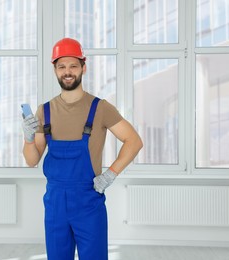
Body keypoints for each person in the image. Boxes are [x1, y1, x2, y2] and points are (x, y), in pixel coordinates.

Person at [22, 38, 143, 260]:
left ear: (83, 67)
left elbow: (134, 140)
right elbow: (32, 160)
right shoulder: (44, 111)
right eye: (61, 67)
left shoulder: (101, 108)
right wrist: (29, 139)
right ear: (55, 70)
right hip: (55, 202)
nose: (67, 72)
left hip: (88, 201)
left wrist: (110, 174)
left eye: (73, 66)